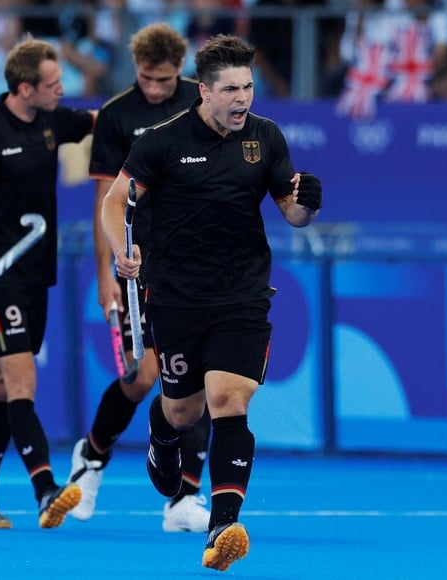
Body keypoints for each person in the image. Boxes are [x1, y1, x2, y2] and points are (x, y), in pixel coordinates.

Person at [100, 34, 323, 571]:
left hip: (243, 293)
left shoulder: (265, 138)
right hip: (175, 297)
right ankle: (160, 434)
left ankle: (223, 525)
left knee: (229, 399)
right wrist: (121, 248)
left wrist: (306, 206)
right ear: (205, 90)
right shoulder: (161, 140)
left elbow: (291, 211)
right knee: (183, 409)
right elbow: (114, 203)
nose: (242, 98)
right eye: (231, 89)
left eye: (248, 86)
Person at [0, 35, 95, 530]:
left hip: (36, 273)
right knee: (22, 380)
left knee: (0, 384)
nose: (61, 90)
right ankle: (46, 488)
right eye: (52, 84)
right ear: (25, 88)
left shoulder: (51, 120)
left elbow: (104, 121)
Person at [69, 22, 211, 533]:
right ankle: (91, 456)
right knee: (142, 378)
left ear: (182, 72)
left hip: (198, 263)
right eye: (147, 79)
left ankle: (184, 499)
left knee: (199, 379)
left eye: (165, 80)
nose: (155, 89)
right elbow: (104, 197)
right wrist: (105, 270)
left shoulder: (205, 100)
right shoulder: (115, 115)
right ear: (137, 71)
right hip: (138, 266)